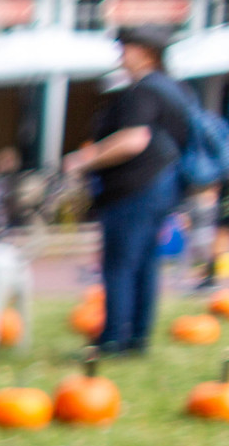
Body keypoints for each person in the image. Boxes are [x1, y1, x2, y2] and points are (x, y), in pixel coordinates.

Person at [64, 25, 191, 355]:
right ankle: (137, 336)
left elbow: (134, 140)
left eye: (125, 48)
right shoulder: (176, 90)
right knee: (145, 262)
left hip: (135, 188)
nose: (121, 55)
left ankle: (113, 339)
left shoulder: (144, 91)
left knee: (119, 263)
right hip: (164, 185)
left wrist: (86, 159)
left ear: (144, 52)